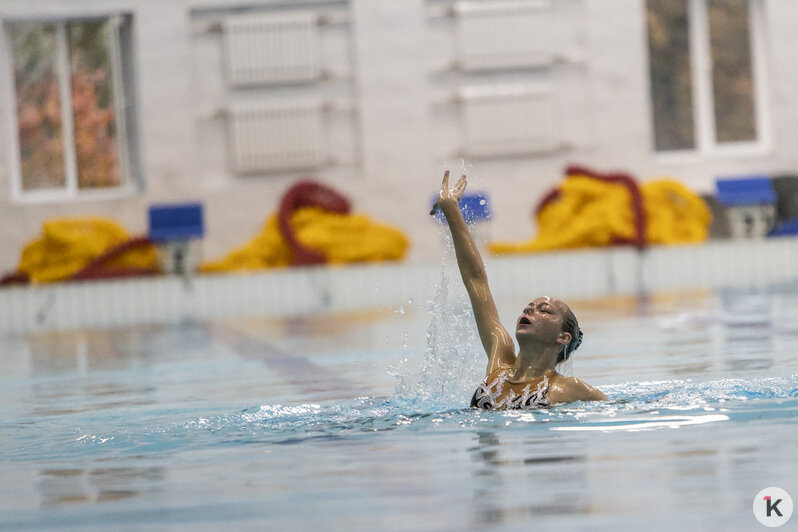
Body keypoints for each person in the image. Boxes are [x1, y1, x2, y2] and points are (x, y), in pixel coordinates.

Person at [430, 171, 607, 409]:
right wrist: (452, 211)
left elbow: (616, 411)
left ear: (562, 338)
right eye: (529, 307)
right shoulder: (498, 362)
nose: (529, 310)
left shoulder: (569, 388)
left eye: (544, 310)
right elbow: (476, 280)